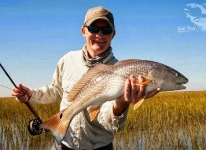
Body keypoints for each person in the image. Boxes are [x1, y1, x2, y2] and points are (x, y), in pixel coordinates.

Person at [12, 6, 160, 150]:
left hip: (99, 147)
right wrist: (31, 95)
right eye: (94, 29)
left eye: (106, 30)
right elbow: (57, 90)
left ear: (113, 34)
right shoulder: (68, 59)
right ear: (83, 30)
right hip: (62, 144)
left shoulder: (122, 72)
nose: (100, 35)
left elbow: (107, 121)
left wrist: (120, 105)